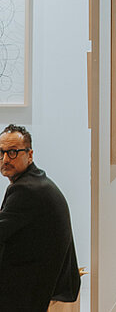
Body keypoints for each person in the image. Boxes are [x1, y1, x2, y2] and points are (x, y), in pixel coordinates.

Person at [0, 125, 81, 312]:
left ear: (29, 155)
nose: (5, 159)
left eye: (13, 152)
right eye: (2, 152)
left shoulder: (25, 190)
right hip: (54, 274)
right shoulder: (34, 180)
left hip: (43, 281)